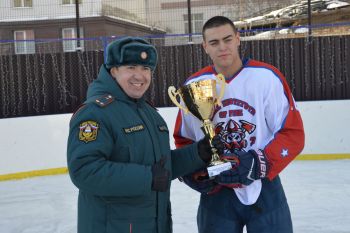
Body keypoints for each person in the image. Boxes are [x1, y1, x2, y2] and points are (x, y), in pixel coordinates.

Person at [66, 36, 224, 233]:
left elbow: (161, 169)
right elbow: (85, 171)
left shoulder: (150, 114)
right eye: (131, 67)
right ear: (113, 70)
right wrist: (146, 178)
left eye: (146, 69)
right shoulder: (96, 113)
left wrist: (197, 154)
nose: (139, 76)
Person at [173, 16, 305, 233]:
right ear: (205, 46)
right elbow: (184, 139)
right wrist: (193, 172)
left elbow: (292, 133)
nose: (222, 48)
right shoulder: (193, 85)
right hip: (217, 191)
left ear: (238, 39)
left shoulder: (266, 77)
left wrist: (259, 162)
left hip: (264, 186)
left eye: (227, 39)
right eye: (214, 43)